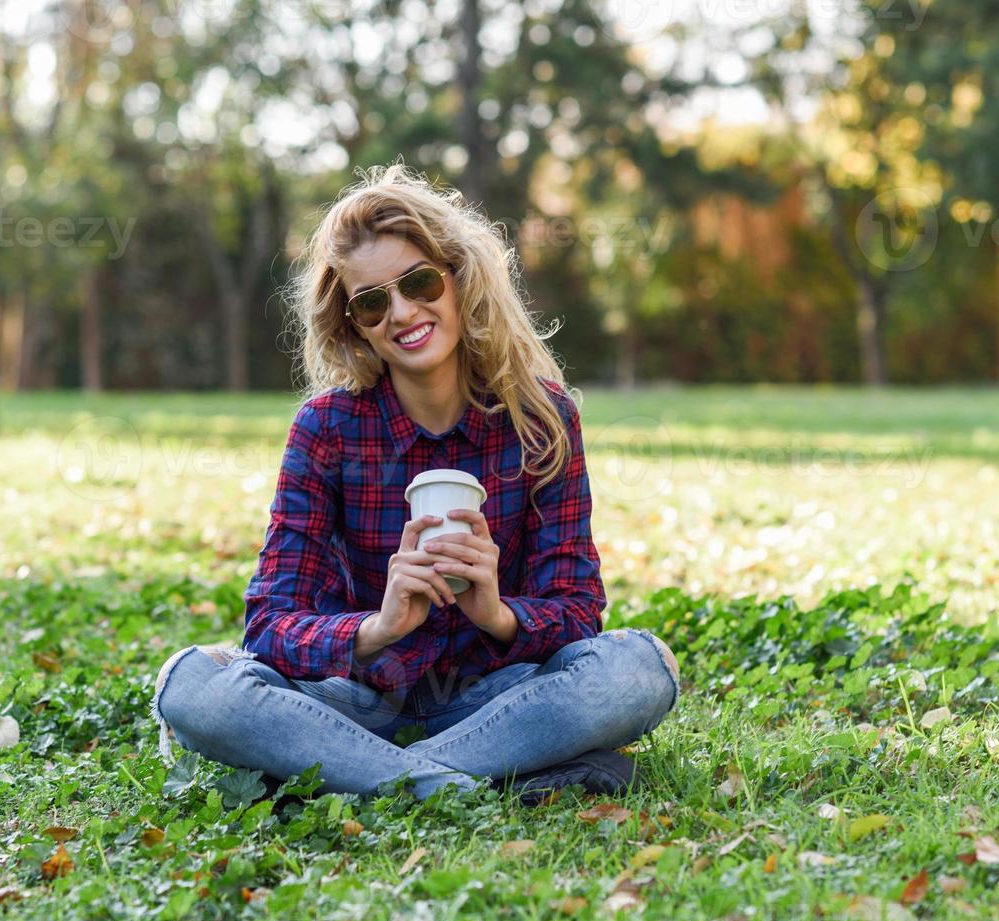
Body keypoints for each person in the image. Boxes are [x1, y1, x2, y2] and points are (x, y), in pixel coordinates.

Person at [152, 161, 680, 804]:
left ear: (458, 280)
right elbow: (269, 624)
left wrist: (496, 612)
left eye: (419, 281)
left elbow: (576, 609)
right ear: (353, 324)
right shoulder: (327, 428)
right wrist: (377, 628)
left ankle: (359, 776)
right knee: (189, 685)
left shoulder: (541, 418)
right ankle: (480, 780)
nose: (402, 312)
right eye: (372, 302)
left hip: (496, 698)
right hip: (354, 701)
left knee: (639, 671)